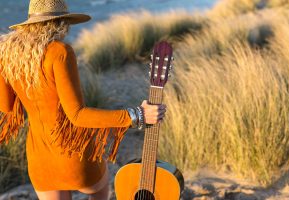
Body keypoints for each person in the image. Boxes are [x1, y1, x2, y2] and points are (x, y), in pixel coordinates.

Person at [0, 0, 166, 199]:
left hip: (39, 158)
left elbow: (7, 106)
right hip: (74, 153)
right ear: (60, 23)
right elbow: (77, 115)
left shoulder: (7, 53)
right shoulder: (60, 52)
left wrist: (28, 84)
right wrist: (137, 115)